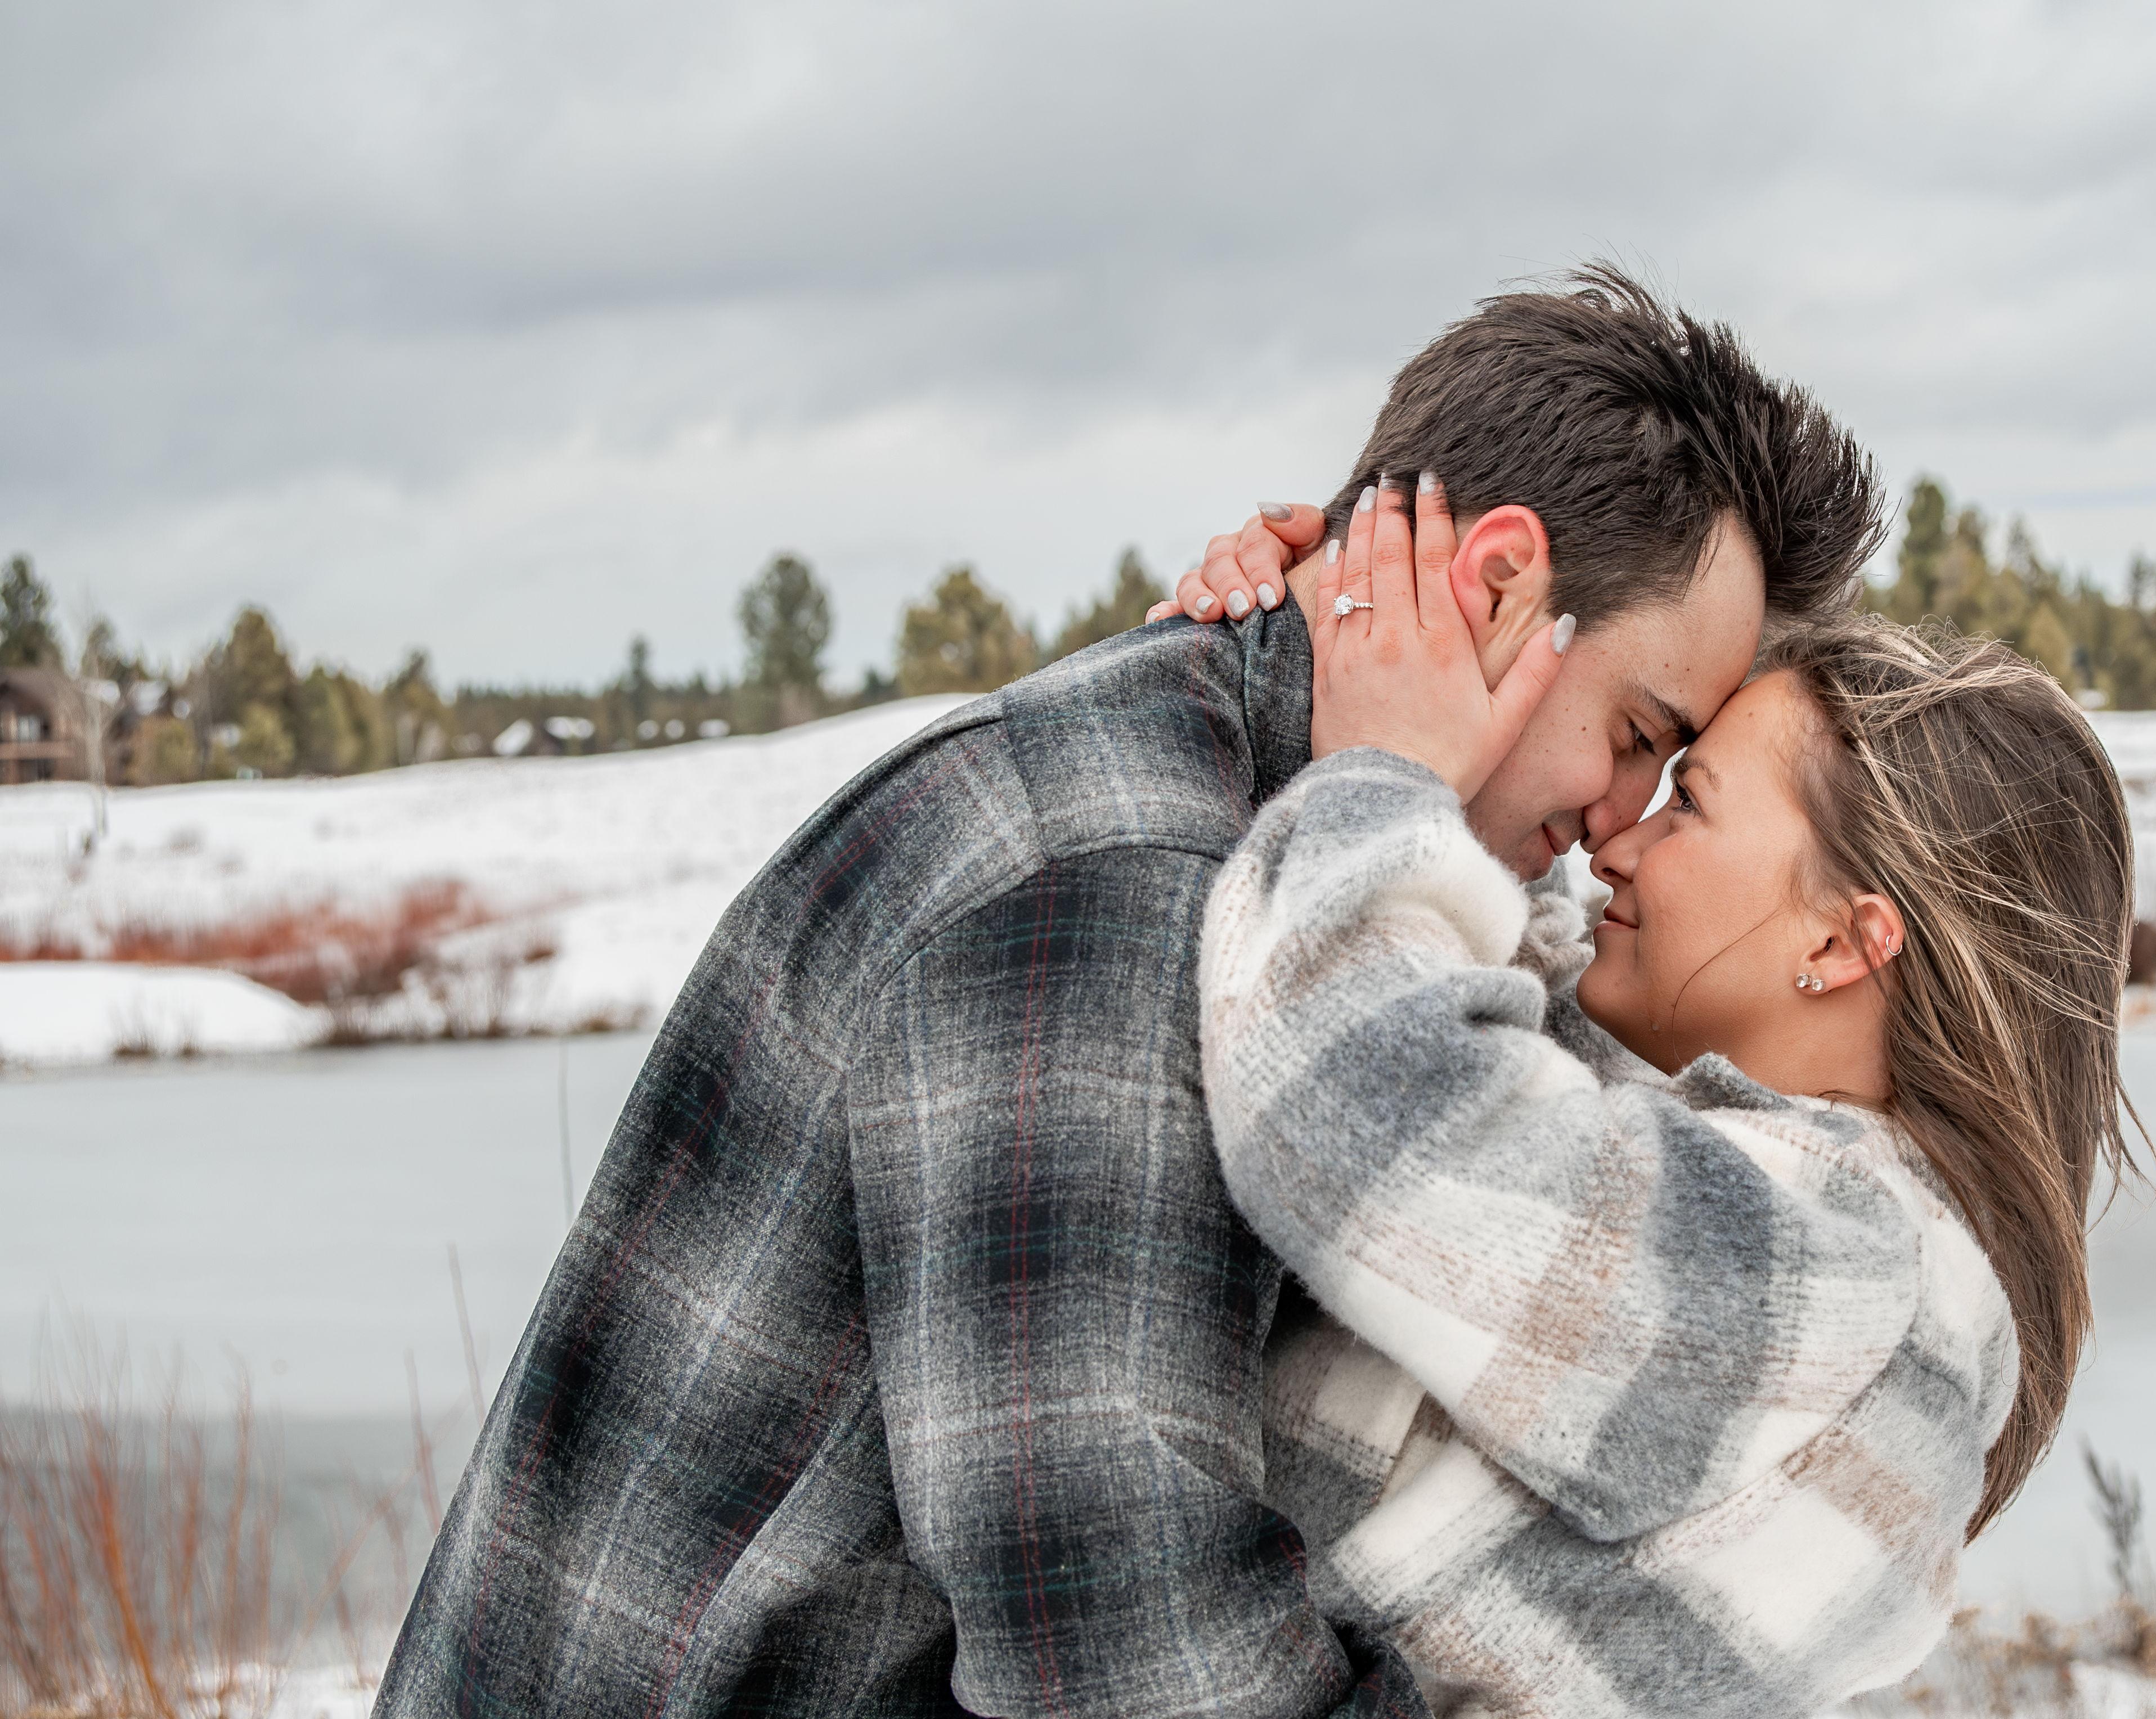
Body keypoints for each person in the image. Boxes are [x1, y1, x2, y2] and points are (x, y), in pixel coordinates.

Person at [374, 267, 1883, 1719]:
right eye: (1636, 734)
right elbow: (1122, 1657)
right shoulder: (1112, 882)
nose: (1620, 821)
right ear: (1495, 584)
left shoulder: (1272, 857)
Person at [1177, 482, 2140, 1713]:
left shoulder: (1838, 1271)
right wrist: (1341, 628)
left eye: (1687, 801)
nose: (1613, 844)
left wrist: (1385, 764)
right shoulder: (1805, 1218)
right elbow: (1520, 1064)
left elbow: (1347, 1104)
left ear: (1844, 942)